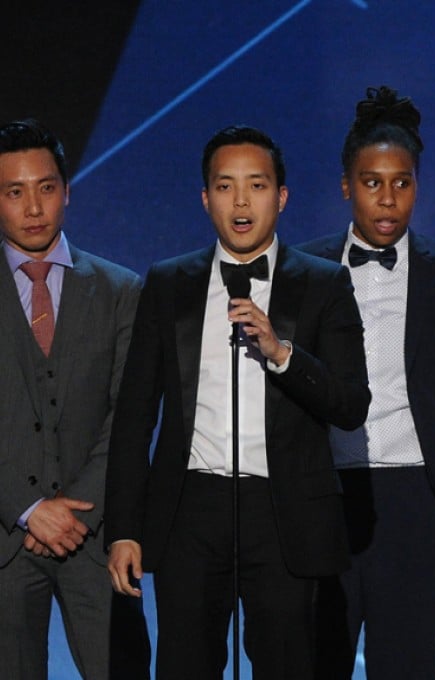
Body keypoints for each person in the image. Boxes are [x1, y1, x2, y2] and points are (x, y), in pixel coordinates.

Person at [104, 125, 370, 678]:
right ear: (206, 198)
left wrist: (281, 353)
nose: (242, 201)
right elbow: (133, 418)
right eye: (225, 187)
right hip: (190, 513)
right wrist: (125, 528)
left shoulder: (324, 284)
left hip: (285, 512)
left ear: (282, 196)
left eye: (257, 185)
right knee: (185, 664)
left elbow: (350, 404)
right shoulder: (169, 282)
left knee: (287, 664)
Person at [299, 86, 435, 679]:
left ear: (417, 185)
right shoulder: (301, 271)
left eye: (401, 182)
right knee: (315, 663)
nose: (387, 198)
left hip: (419, 504)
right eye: (371, 181)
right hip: (325, 499)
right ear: (345, 185)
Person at [0, 118, 148, 680]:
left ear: (67, 191)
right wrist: (29, 508)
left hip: (100, 541)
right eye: (15, 192)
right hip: (7, 542)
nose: (33, 207)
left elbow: (129, 418)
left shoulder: (120, 291)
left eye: (46, 188)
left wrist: (74, 511)